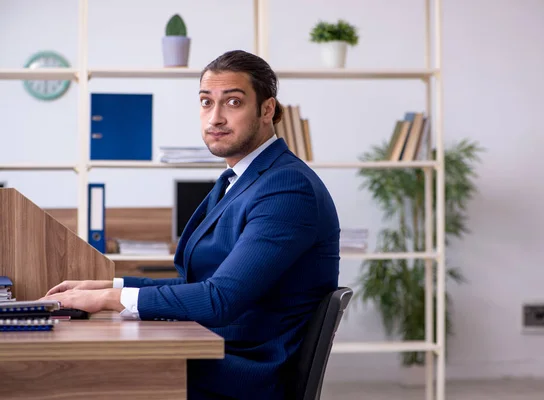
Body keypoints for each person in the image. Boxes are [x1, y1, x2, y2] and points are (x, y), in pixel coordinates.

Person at [42, 49, 341, 399]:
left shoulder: (287, 187)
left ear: (266, 110)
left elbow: (220, 299)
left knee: (73, 373)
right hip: (220, 351)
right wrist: (107, 284)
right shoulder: (240, 179)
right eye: (205, 102)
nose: (214, 118)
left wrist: (110, 298)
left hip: (247, 372)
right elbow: (198, 283)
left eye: (232, 102)